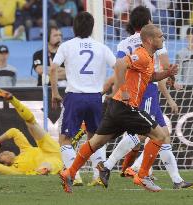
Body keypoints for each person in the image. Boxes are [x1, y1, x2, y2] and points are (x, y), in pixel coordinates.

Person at [58, 24, 178, 193]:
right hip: (127, 106)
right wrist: (125, 89)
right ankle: (142, 176)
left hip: (116, 106)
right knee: (160, 136)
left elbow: (150, 77)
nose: (163, 38)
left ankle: (69, 172)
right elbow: (120, 64)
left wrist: (167, 73)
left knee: (96, 142)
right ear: (150, 40)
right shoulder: (141, 55)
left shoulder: (149, 57)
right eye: (160, 36)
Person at [98, 6, 193, 190]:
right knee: (145, 134)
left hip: (134, 90)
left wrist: (116, 89)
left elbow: (119, 66)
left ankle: (176, 180)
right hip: (147, 90)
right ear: (148, 22)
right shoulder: (154, 39)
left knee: (162, 135)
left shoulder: (124, 42)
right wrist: (171, 78)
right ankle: (113, 166)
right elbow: (164, 66)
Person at [50, 12, 116, 187]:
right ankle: (98, 173)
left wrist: (55, 93)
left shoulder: (67, 46)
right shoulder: (101, 47)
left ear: (74, 27)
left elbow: (53, 68)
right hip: (95, 98)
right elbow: (119, 67)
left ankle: (74, 174)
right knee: (95, 138)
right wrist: (113, 90)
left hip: (75, 96)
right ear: (92, 28)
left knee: (65, 138)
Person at [0, 88, 63, 175]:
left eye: (2, 152)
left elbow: (14, 132)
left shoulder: (24, 149)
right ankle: (42, 171)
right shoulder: (14, 169)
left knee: (31, 124)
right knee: (46, 165)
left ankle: (13, 100)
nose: (4, 152)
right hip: (53, 163)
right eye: (2, 156)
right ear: (5, 164)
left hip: (51, 149)